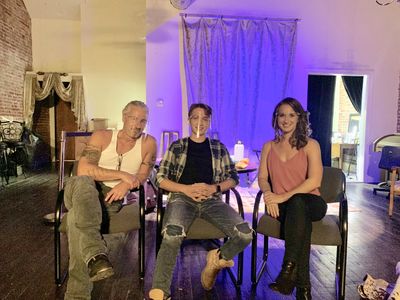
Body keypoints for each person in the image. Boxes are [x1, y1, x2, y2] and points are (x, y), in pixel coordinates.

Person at [149, 103, 252, 300]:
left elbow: (234, 177)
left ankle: (217, 259)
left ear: (209, 122)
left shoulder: (218, 148)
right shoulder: (177, 146)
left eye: (205, 118)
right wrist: (185, 189)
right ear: (189, 120)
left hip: (212, 200)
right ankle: (161, 290)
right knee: (172, 235)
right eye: (195, 117)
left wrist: (214, 188)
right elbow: (160, 177)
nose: (200, 122)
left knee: (246, 234)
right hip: (181, 198)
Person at [63, 100, 157, 300]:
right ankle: (96, 252)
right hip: (80, 190)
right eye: (133, 118)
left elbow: (142, 176)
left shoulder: (149, 142)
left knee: (74, 220)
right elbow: (84, 169)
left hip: (110, 197)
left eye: (143, 120)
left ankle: (85, 278)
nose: (137, 124)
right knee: (83, 182)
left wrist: (127, 184)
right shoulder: (102, 136)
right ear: (124, 117)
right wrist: (123, 175)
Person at [257, 97, 327, 300]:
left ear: (299, 118)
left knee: (298, 203)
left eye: (291, 115)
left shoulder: (311, 145)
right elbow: (262, 178)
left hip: (312, 202)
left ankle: (287, 269)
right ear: (276, 118)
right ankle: (303, 289)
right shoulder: (269, 146)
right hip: (285, 208)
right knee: (300, 225)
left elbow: (314, 181)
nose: (286, 119)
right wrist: (269, 196)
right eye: (281, 115)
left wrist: (280, 197)